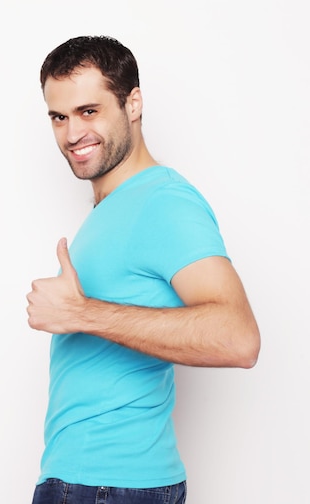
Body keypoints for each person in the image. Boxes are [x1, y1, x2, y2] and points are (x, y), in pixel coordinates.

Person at [25, 35, 260, 504]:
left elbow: (239, 338)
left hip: (106, 485)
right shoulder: (114, 207)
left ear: (132, 104)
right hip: (92, 481)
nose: (72, 134)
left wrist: (82, 314)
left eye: (89, 111)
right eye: (59, 116)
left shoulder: (163, 202)